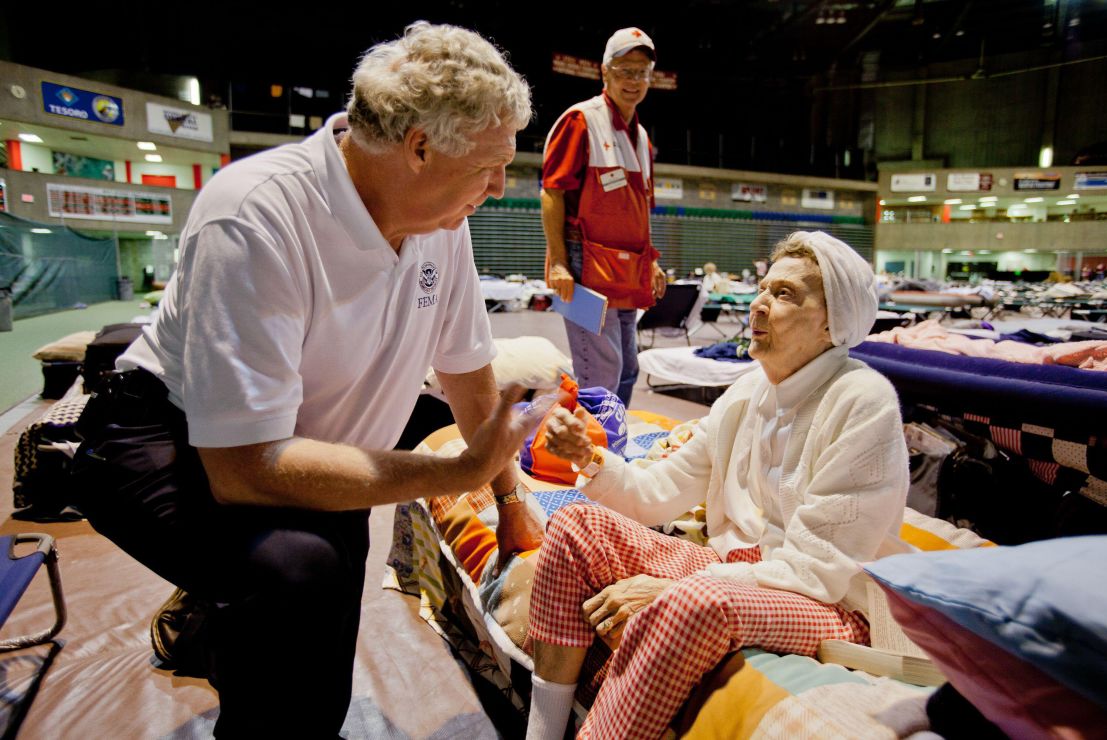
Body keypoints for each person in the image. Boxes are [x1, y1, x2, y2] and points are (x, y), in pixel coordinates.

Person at [69, 22, 549, 737]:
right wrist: (449, 472)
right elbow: (244, 468)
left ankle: (211, 619)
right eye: (489, 167)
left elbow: (464, 368)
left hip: (311, 448)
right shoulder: (256, 213)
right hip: (164, 438)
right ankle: (226, 620)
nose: (497, 187)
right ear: (419, 147)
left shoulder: (444, 224)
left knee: (317, 669)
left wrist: (508, 494)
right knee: (296, 578)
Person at [525, 231, 909, 739]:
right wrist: (588, 458)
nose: (759, 306)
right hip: (739, 569)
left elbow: (817, 569)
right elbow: (657, 491)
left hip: (829, 601)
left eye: (785, 294)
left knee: (693, 604)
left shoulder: (862, 401)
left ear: (832, 321)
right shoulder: (747, 392)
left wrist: (678, 588)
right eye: (764, 288)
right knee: (575, 526)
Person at [542, 27, 667, 409]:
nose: (634, 81)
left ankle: (613, 446)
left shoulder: (642, 137)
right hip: (584, 266)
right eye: (625, 70)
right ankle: (591, 453)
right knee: (601, 372)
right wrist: (560, 262)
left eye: (641, 72)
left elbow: (639, 210)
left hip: (627, 269)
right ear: (605, 73)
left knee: (629, 367)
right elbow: (552, 193)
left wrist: (653, 264)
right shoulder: (580, 121)